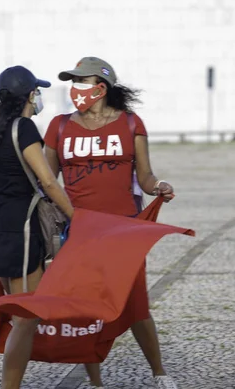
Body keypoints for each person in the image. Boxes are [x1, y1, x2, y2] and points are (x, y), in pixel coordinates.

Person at [43, 56, 178, 389]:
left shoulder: (131, 124)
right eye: (72, 82)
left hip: (123, 229)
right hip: (78, 230)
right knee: (86, 308)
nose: (74, 89)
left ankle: (159, 373)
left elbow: (144, 175)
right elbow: (47, 180)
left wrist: (158, 186)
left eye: (81, 82)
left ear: (100, 87)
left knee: (135, 304)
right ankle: (95, 382)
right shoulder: (59, 126)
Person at [0, 65, 74, 389]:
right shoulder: (24, 128)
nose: (38, 97)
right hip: (21, 234)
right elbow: (48, 182)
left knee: (22, 317)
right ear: (30, 94)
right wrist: (76, 216)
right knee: (26, 320)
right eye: (37, 91)